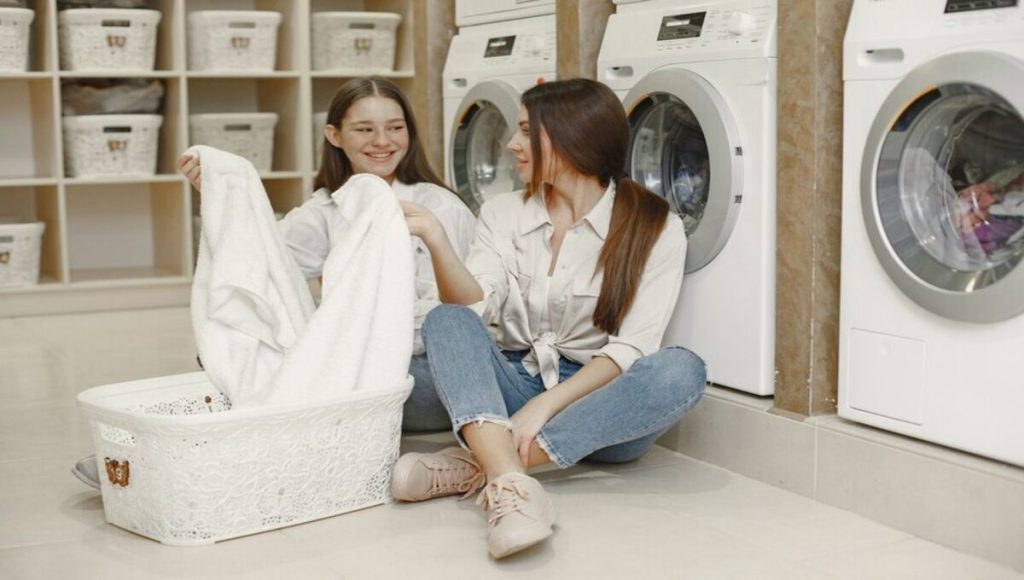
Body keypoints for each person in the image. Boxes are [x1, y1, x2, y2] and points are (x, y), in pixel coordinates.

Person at [72, 76, 475, 489]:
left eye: (395, 127)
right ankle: (154, 456)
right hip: (350, 373)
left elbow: (453, 319)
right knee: (241, 351)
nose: (382, 141)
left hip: (425, 380)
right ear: (334, 135)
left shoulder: (436, 206)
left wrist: (328, 348)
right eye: (364, 129)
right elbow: (262, 265)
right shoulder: (327, 208)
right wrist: (222, 198)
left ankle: (157, 468)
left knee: (287, 384)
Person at [391, 78, 707, 559]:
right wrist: (435, 240)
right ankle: (511, 484)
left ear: (570, 136)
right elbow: (473, 305)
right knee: (447, 321)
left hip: (598, 408)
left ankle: (477, 465)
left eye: (524, 131)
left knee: (682, 371)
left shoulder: (655, 225)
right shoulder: (503, 212)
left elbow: (630, 349)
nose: (510, 144)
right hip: (515, 379)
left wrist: (544, 407)